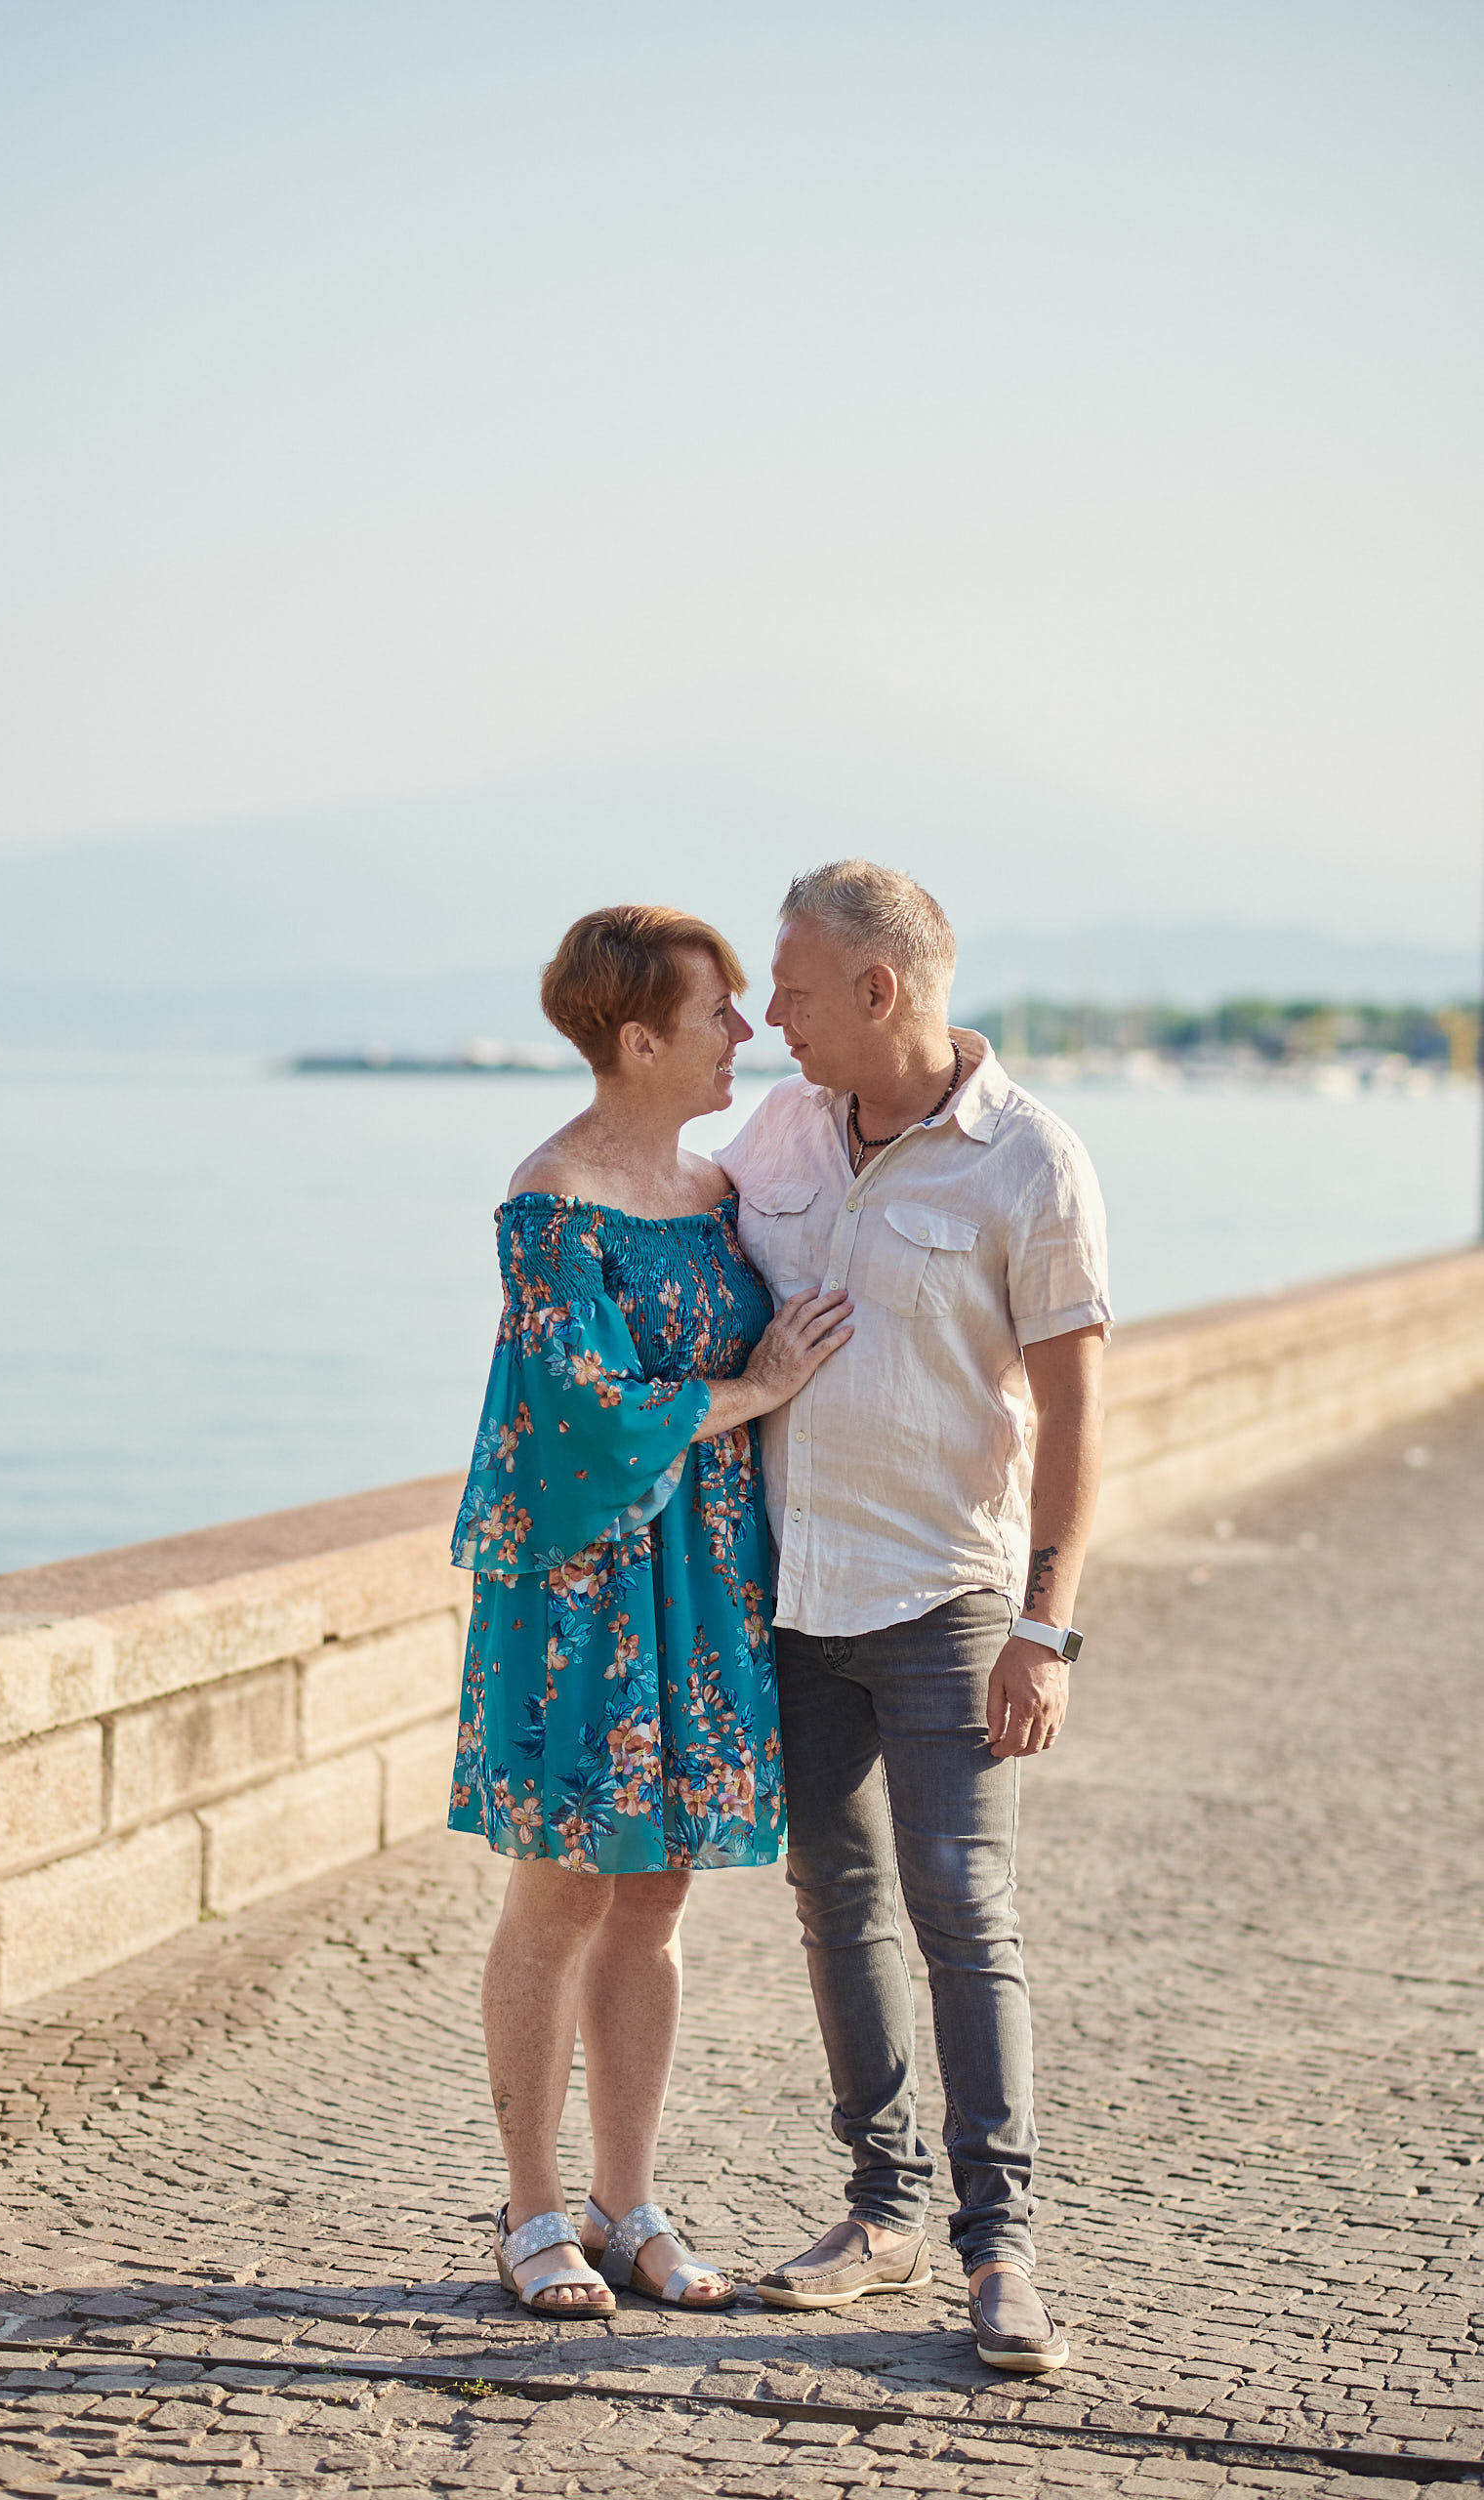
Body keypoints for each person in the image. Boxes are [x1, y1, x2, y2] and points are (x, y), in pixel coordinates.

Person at [716, 859, 1111, 2375]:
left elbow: (1078, 1408)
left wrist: (1045, 1625)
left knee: (964, 1906)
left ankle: (997, 2248)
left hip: (947, 1595)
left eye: (796, 992)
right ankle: (875, 2217)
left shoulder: (1029, 1162)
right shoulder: (779, 1131)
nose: (769, 1020)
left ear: (880, 992)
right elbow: (670, 1221)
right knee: (837, 1907)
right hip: (794, 1598)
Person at [448, 903, 853, 2318]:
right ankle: (532, 2209)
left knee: (657, 1894)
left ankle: (632, 2200)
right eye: (716, 1015)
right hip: (581, 1593)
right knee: (558, 1893)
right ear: (636, 1038)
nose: (743, 1033)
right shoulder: (549, 1200)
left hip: (699, 1585)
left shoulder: (712, 1186)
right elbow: (575, 1418)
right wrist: (753, 1393)